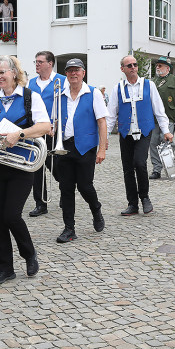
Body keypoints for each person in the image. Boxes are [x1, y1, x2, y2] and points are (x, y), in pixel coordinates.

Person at [0, 55, 51, 284]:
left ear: (14, 72)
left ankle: (29, 254)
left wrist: (19, 134)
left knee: (11, 215)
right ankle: (5, 268)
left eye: (3, 72)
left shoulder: (31, 97)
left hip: (21, 166)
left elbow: (45, 126)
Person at [105, 55, 173, 216]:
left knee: (140, 163)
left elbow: (159, 109)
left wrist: (166, 130)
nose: (133, 67)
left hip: (144, 130)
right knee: (128, 169)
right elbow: (110, 115)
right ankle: (132, 204)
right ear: (123, 69)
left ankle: (145, 197)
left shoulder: (148, 85)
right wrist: (104, 137)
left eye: (135, 64)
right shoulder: (118, 88)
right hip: (125, 133)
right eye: (129, 65)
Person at [53, 58, 107, 243]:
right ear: (66, 74)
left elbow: (102, 122)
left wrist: (102, 149)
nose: (73, 73)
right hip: (65, 146)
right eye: (70, 71)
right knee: (65, 188)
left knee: (85, 186)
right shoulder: (60, 94)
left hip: (86, 147)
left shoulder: (93, 93)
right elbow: (56, 119)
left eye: (77, 70)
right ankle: (69, 228)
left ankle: (96, 209)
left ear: (83, 73)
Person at [27, 50, 66, 217]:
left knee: (57, 166)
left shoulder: (62, 81)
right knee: (37, 167)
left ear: (50, 64)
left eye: (40, 62)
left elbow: (65, 105)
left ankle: (65, 189)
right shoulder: (31, 83)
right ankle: (40, 203)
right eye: (36, 61)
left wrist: (56, 125)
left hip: (54, 131)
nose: (37, 64)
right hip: (36, 130)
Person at [149, 56, 175, 179]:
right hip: (154, 119)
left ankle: (170, 168)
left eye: (160, 65)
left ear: (167, 68)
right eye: (157, 65)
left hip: (169, 116)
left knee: (166, 142)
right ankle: (156, 169)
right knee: (153, 143)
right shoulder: (153, 82)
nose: (157, 67)